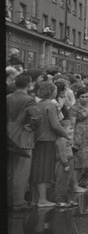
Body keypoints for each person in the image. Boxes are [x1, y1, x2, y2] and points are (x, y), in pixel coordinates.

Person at [32, 81, 71, 207]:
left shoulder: (39, 104)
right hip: (47, 139)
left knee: (38, 169)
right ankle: (42, 200)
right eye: (54, 90)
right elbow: (55, 124)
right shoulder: (51, 105)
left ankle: (36, 198)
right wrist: (66, 135)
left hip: (37, 139)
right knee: (44, 170)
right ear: (51, 91)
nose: (56, 92)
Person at [7, 73, 41, 210]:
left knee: (9, 171)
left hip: (9, 137)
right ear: (30, 84)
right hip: (23, 139)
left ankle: (9, 199)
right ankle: (18, 202)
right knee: (21, 172)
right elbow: (37, 117)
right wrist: (31, 127)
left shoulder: (8, 97)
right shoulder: (29, 100)